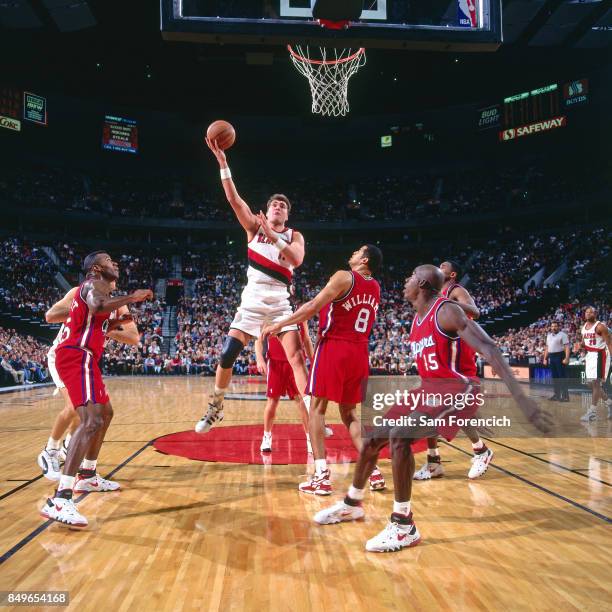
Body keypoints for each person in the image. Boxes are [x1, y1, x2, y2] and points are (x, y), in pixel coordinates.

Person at [313, 265, 552, 553]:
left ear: (423, 283)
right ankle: (352, 504)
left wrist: (524, 402)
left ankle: (404, 525)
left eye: (411, 276)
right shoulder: (416, 320)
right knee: (373, 438)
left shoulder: (447, 310)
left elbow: (489, 348)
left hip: (459, 390)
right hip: (429, 390)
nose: (405, 280)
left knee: (400, 436)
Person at [195, 138, 311, 434]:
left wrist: (273, 236)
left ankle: (312, 410)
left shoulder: (295, 236)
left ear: (287, 215)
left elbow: (295, 259)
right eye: (274, 203)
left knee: (296, 358)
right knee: (226, 354)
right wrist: (223, 164)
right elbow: (234, 200)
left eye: (283, 206)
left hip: (280, 304)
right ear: (267, 210)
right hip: (252, 303)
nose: (277, 206)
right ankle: (216, 406)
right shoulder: (252, 229)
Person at [39, 251, 153, 528]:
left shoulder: (97, 290)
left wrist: (111, 323)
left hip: (86, 356)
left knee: (106, 413)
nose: (116, 263)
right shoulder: (92, 284)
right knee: (90, 420)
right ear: (97, 268)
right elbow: (97, 304)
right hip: (75, 355)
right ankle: (60, 498)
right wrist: (132, 298)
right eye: (110, 260)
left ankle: (87, 474)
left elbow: (104, 320)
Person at [262, 245, 386, 495]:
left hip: (335, 347)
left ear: (364, 259)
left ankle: (321, 476)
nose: (351, 253)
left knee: (317, 409)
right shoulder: (376, 287)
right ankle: (372, 470)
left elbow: (313, 307)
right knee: (350, 414)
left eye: (357, 251)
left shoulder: (343, 276)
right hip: (360, 353)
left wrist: (281, 324)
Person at [37, 283, 140, 481]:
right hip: (65, 353)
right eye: (110, 263)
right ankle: (49, 450)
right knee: (75, 407)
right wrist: (84, 310)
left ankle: (70, 446)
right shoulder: (79, 293)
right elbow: (50, 316)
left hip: (88, 358)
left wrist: (103, 327)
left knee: (98, 411)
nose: (114, 268)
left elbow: (133, 337)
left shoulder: (118, 304)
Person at [415, 260, 494, 481]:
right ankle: (433, 462)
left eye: (444, 266)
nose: (439, 268)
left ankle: (481, 450)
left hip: (457, 355)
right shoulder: (431, 296)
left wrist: (444, 302)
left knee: (456, 407)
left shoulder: (456, 290)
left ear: (452, 274)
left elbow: (475, 312)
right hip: (439, 354)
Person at [255, 321, 313, 452]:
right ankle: (266, 437)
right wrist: (259, 359)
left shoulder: (300, 315)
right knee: (272, 402)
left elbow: (307, 340)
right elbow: (258, 340)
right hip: (276, 364)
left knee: (303, 402)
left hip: (296, 364)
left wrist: (314, 360)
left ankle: (310, 439)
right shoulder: (271, 314)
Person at [578, 306, 612, 421]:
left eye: (591, 312)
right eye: (586, 312)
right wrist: (580, 346)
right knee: (590, 384)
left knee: (596, 384)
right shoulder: (584, 327)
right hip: (590, 355)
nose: (588, 314)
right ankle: (609, 403)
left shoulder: (600, 326)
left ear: (595, 314)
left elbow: (609, 343)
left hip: (600, 355)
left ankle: (592, 412)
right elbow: (584, 342)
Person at [543, 321, 570, 402]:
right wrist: (545, 358)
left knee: (562, 377)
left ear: (558, 327)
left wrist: (567, 358)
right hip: (551, 357)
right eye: (552, 326)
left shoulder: (563, 335)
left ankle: (565, 396)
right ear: (550, 327)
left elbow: (567, 347)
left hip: (560, 356)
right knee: (555, 377)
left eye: (555, 326)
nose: (554, 328)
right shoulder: (548, 336)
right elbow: (547, 348)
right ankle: (556, 395)